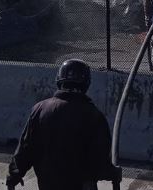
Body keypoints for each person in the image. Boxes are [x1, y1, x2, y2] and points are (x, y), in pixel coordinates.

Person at [7, 59, 121, 190]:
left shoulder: (39, 110)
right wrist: (113, 172)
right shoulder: (94, 116)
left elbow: (26, 148)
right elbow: (100, 160)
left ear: (59, 80)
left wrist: (14, 175)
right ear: (86, 83)